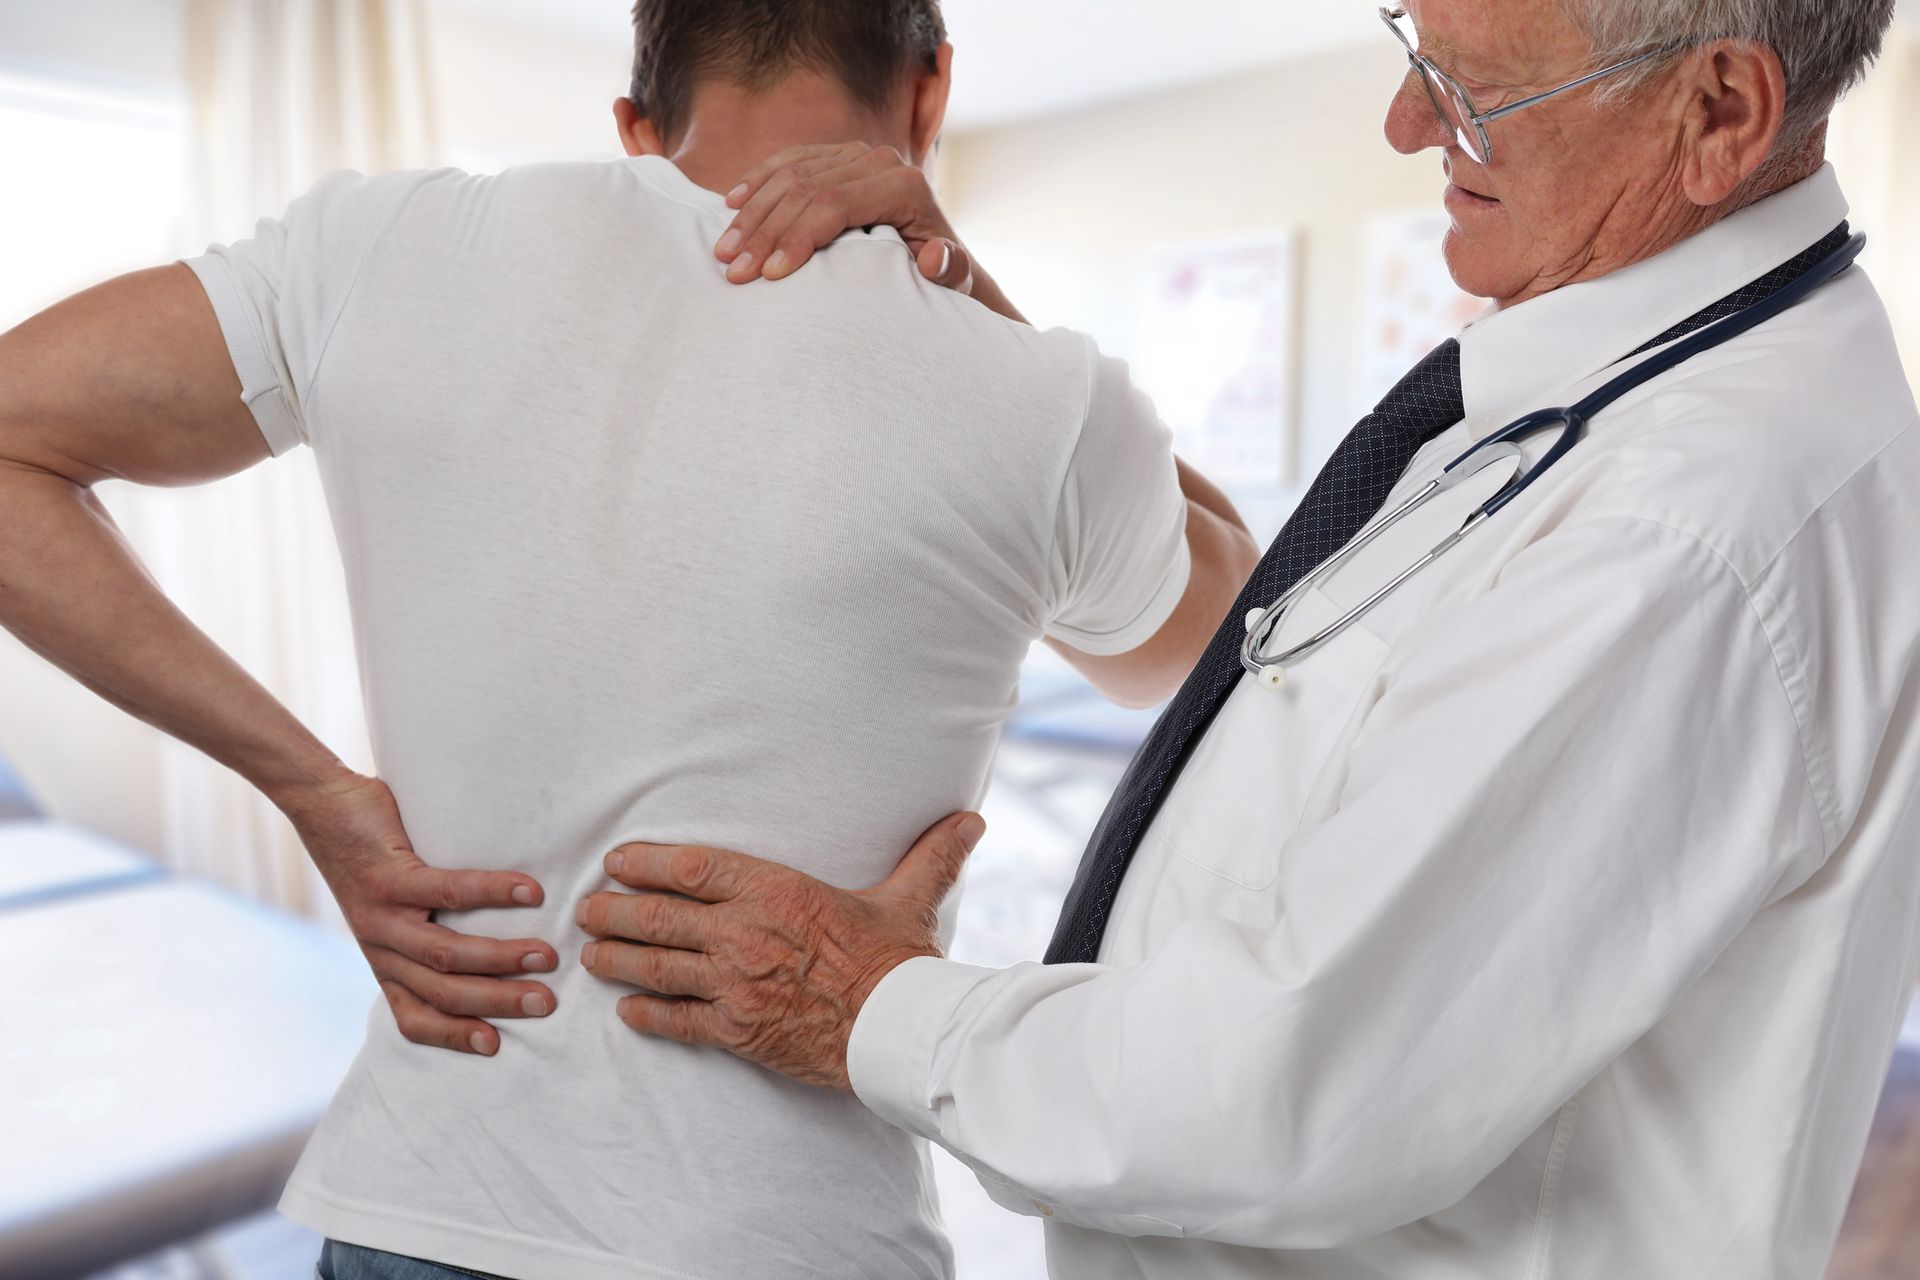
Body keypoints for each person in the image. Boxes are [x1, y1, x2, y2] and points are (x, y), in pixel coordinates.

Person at [568, 0, 1920, 1276]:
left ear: (1719, 110)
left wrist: (860, 998)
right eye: (1415, 48)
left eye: (1473, 89)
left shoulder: (1687, 526)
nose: (1405, 123)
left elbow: (1282, 1089)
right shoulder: (1606, 383)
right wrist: (973, 333)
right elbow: (1263, 638)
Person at [0, 1, 1262, 1277]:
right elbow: (1233, 644)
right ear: (931, 91)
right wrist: (967, 283)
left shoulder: (380, 249)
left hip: (420, 1206)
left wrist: (312, 788)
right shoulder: (1041, 397)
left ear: (636, 125)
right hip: (779, 1240)